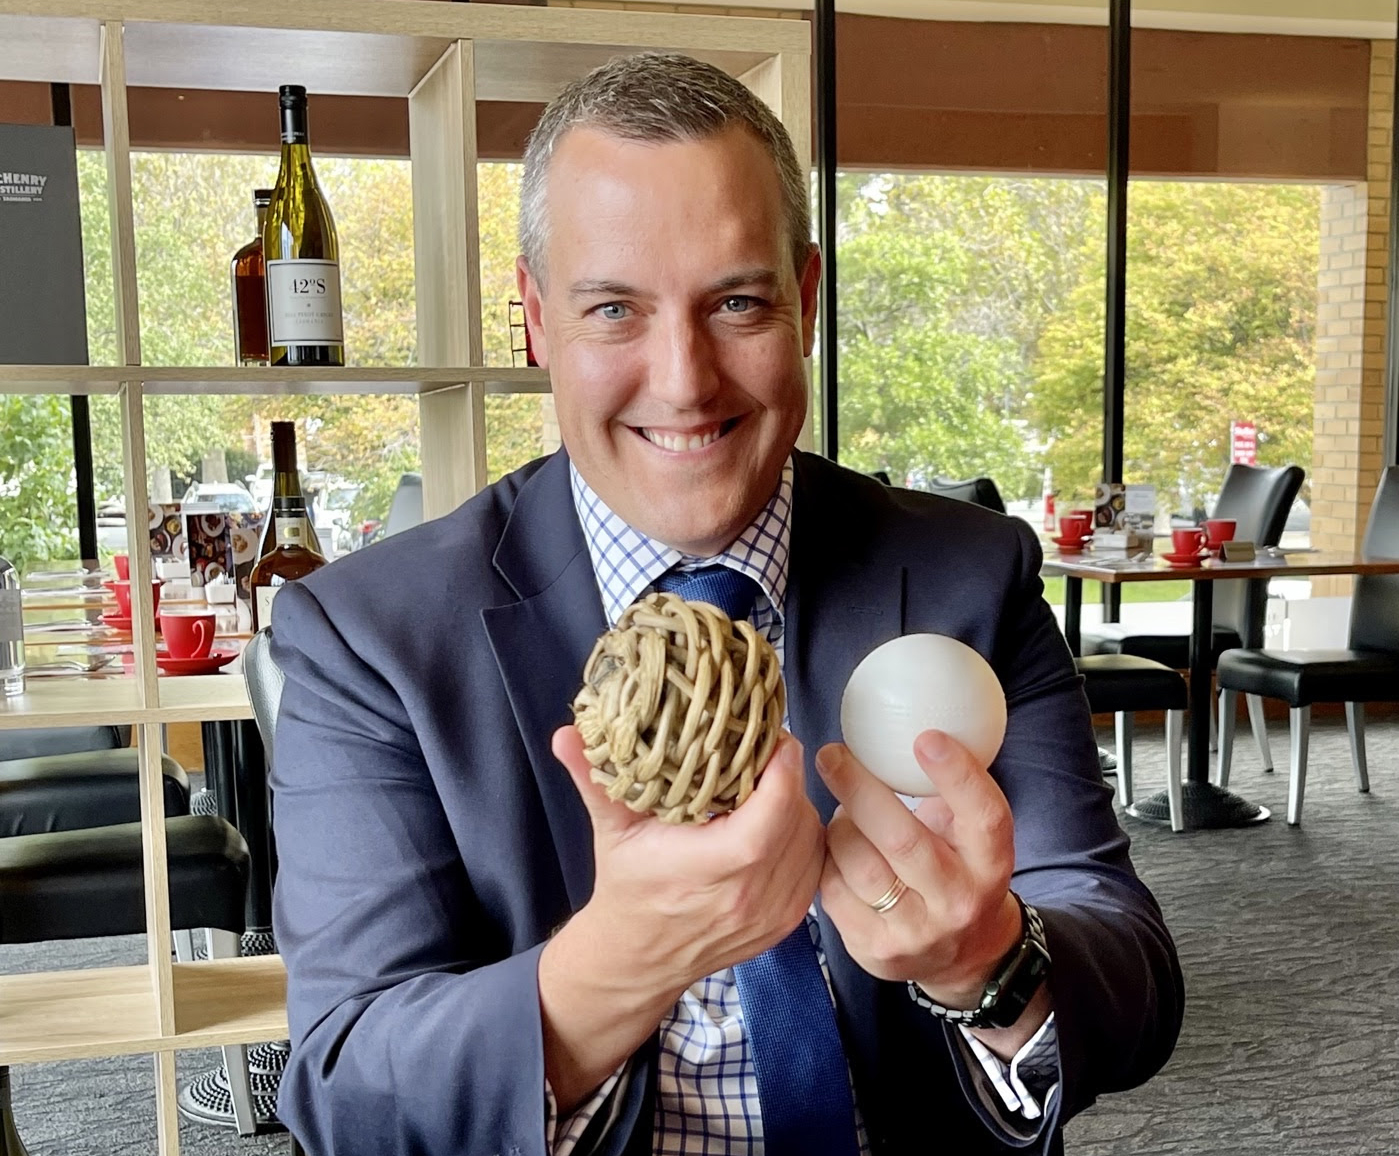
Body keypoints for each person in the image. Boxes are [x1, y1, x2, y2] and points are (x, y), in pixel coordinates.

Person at [268, 52, 1183, 1156]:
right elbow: (349, 1089)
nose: (684, 379)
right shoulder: (370, 636)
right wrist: (621, 959)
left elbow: (1131, 973)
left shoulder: (967, 575)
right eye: (614, 309)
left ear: (802, 302)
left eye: (737, 302)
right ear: (538, 319)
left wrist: (989, 959)